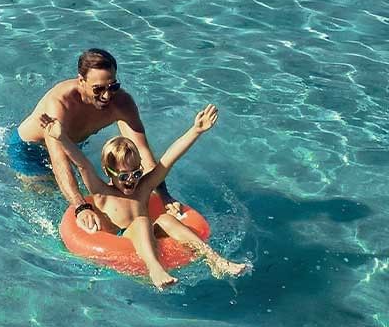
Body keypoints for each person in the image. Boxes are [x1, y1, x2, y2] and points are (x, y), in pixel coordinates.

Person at [45, 105, 247, 288]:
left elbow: (169, 159)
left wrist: (196, 130)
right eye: (123, 176)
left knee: (166, 219)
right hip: (120, 241)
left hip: (149, 234)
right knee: (142, 221)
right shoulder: (101, 193)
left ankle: (215, 260)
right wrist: (62, 138)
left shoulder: (143, 188)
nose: (131, 180)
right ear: (108, 172)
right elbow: (82, 164)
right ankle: (155, 269)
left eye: (136, 173)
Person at [10, 49, 178, 233]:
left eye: (113, 87)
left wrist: (164, 197)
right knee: (51, 203)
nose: (107, 96)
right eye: (98, 89)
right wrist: (80, 207)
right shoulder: (60, 104)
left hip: (72, 145)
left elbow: (143, 152)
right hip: (30, 151)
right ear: (81, 81)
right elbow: (59, 162)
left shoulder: (122, 103)